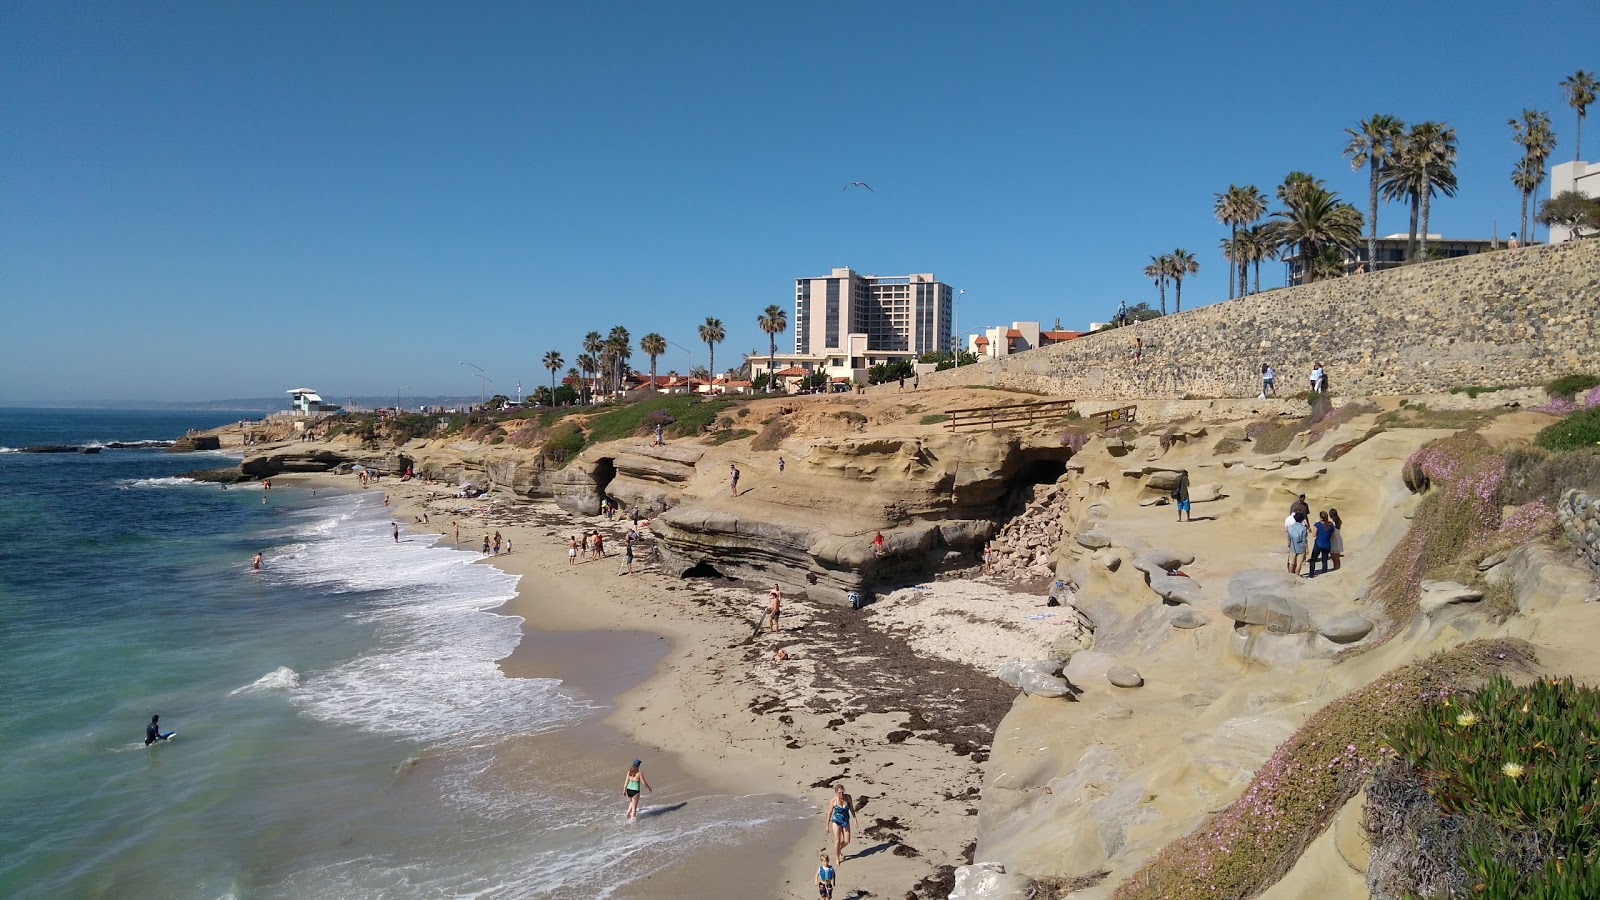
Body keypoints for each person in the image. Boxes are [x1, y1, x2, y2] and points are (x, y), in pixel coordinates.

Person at [825, 784, 854, 866]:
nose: (841, 794)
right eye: (839, 792)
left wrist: (855, 820)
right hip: (836, 821)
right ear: (836, 793)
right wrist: (827, 825)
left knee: (847, 841)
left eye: (842, 792)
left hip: (845, 821)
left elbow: (851, 808)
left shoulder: (848, 797)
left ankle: (838, 850)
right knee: (837, 841)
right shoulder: (833, 800)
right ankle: (837, 858)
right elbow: (829, 813)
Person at [1309, 511, 1335, 577]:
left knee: (1313, 560)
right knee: (1324, 560)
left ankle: (1311, 575)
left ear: (1320, 517)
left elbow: (1314, 534)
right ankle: (1324, 574)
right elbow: (1332, 537)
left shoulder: (1317, 524)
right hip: (1327, 545)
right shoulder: (1331, 525)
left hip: (1318, 544)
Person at [1286, 511, 1309, 576]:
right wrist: (1307, 548)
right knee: (1299, 563)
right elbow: (1304, 540)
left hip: (1292, 547)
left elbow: (1289, 538)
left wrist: (1288, 545)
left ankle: (1290, 576)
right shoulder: (1303, 528)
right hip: (1300, 547)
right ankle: (1296, 575)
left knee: (1291, 563)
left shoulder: (1290, 527)